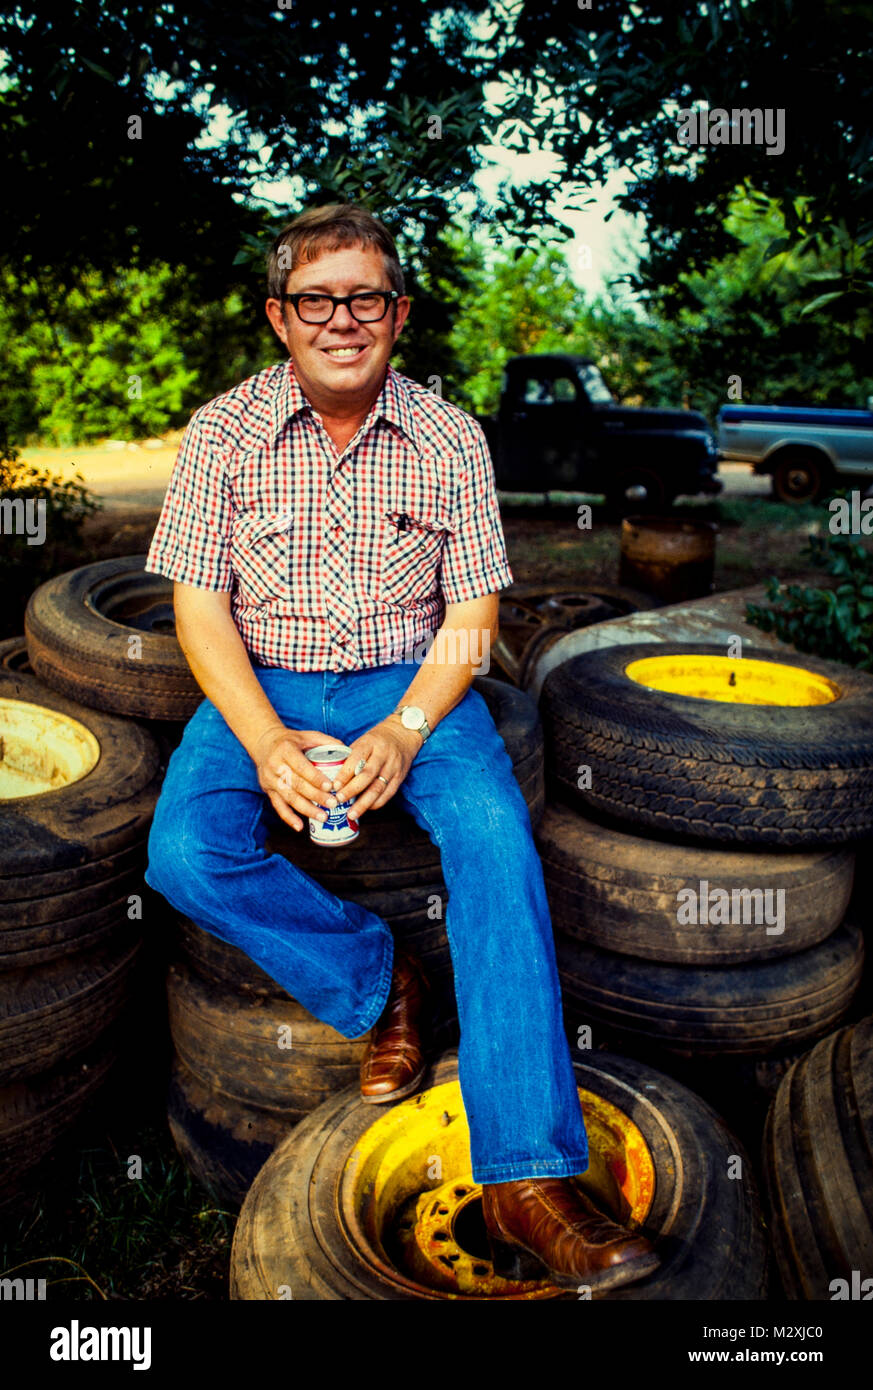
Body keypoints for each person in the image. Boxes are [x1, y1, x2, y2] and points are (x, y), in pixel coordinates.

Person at [144, 203, 658, 1294]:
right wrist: (267, 737)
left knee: (490, 834)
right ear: (280, 316)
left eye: (365, 297)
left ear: (399, 312)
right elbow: (197, 609)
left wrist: (404, 727)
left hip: (411, 676)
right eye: (317, 299)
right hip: (263, 673)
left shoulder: (449, 436)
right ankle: (381, 979)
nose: (343, 320)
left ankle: (528, 1172)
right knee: (183, 854)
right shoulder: (219, 434)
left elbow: (473, 616)